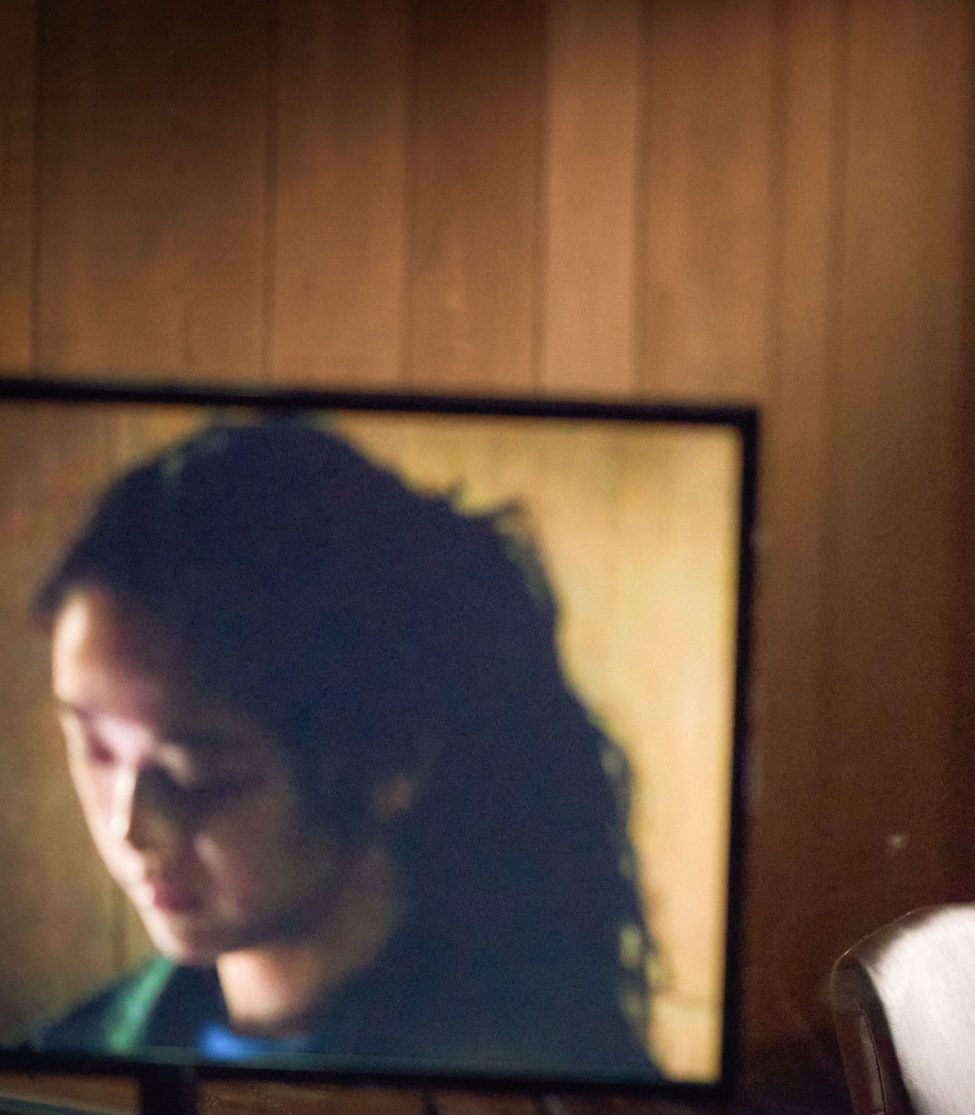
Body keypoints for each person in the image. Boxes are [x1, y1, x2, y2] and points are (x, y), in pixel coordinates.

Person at [33, 418, 658, 1077]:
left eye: (200, 773)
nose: (131, 827)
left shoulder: (536, 1078)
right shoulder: (70, 1058)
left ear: (392, 757)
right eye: (95, 749)